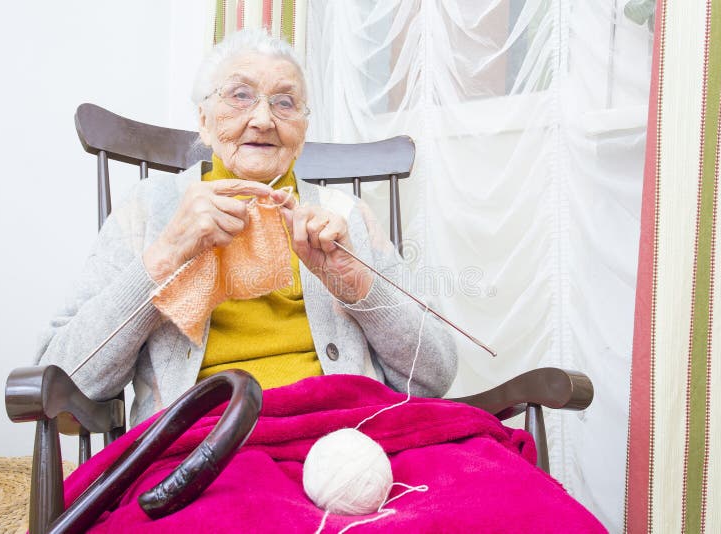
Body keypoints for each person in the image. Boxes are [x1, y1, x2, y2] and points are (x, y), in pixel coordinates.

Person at [36, 28, 457, 427]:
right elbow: (64, 377)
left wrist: (360, 286)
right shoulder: (149, 211)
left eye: (285, 103)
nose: (262, 119)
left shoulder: (346, 215)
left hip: (346, 436)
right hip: (205, 452)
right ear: (203, 119)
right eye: (240, 95)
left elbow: (434, 375)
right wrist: (165, 255)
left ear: (303, 131)